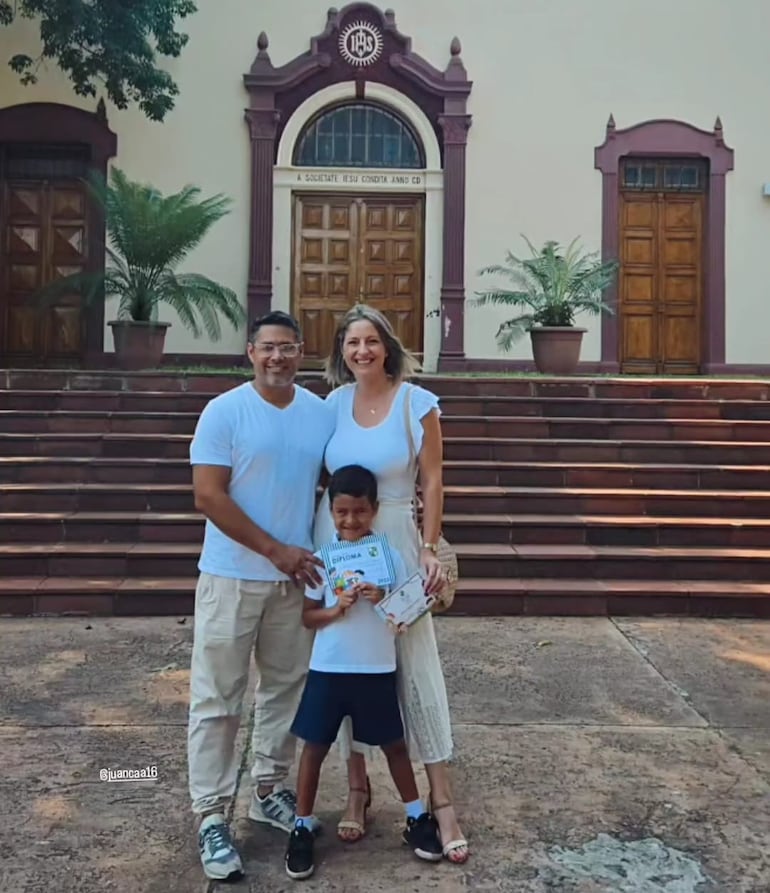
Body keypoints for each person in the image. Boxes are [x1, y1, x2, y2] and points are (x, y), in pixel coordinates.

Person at [314, 304, 469, 864]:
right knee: (349, 665)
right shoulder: (330, 406)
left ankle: (441, 800)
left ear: (387, 345)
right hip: (343, 549)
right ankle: (357, 789)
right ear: (341, 350)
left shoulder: (415, 402)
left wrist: (429, 548)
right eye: (352, 342)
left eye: (371, 341)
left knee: (416, 671)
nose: (362, 351)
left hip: (399, 546)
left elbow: (433, 477)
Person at [188, 311, 334, 881]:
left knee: (286, 692)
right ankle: (211, 814)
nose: (278, 358)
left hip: (294, 580)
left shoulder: (318, 414)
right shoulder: (224, 411)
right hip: (231, 575)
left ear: (302, 353)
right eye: (268, 348)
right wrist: (276, 550)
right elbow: (208, 495)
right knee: (217, 700)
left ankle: (268, 790)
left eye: (289, 348)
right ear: (250, 352)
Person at [285, 463, 444, 880]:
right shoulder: (322, 560)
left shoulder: (388, 556)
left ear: (374, 510)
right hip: (329, 666)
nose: (350, 520)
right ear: (331, 513)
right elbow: (308, 617)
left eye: (358, 512)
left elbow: (407, 613)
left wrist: (382, 597)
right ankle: (301, 825)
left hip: (375, 667)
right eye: (341, 513)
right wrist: (336, 609)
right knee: (314, 746)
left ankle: (415, 818)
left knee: (393, 745)